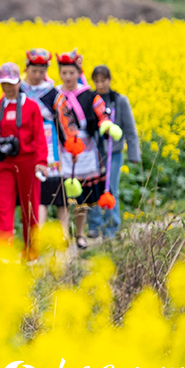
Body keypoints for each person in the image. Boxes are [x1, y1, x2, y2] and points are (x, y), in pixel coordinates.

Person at [53, 49, 122, 250]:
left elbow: (102, 114)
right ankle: (64, 234)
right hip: (63, 150)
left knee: (81, 196)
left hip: (86, 150)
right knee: (64, 197)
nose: (68, 77)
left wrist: (107, 125)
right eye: (64, 73)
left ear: (78, 73)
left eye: (71, 73)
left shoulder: (90, 95)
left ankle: (80, 234)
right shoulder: (56, 95)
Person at [0, 62, 49, 261]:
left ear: (19, 82)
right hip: (3, 163)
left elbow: (39, 137)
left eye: (11, 83)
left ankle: (31, 253)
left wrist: (41, 162)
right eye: (4, 83)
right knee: (2, 207)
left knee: (30, 208)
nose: (8, 87)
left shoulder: (31, 107)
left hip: (28, 163)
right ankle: (0, 254)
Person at [87, 65, 141, 239]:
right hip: (94, 152)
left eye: (103, 80)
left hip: (114, 152)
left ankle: (112, 227)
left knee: (111, 188)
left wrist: (134, 154)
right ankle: (94, 225)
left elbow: (130, 129)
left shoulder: (119, 100)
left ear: (109, 80)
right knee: (93, 188)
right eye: (96, 81)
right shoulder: (90, 99)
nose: (100, 85)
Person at [20, 48, 69, 229]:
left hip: (50, 144)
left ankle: (63, 234)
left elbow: (65, 118)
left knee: (57, 191)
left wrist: (71, 142)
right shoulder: (18, 89)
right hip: (25, 141)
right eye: (34, 71)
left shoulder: (52, 92)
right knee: (34, 191)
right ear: (26, 68)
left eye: (42, 71)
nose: (37, 75)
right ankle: (35, 232)